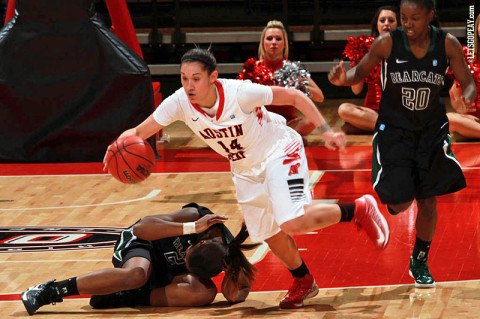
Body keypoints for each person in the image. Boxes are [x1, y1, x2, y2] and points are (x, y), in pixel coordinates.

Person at [107, 47, 390, 309]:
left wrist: (326, 130)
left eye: (196, 78)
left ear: (213, 77)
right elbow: (139, 132)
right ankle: (304, 281)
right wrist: (113, 150)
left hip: (279, 150)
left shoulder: (240, 93)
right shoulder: (179, 103)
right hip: (243, 167)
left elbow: (295, 97)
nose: (189, 85)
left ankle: (358, 209)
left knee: (291, 219)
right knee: (266, 232)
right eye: (184, 78)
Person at [329, 0, 476, 288]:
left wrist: (468, 93)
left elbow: (467, 81)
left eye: (414, 18)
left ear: (431, 16)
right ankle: (388, 179)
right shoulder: (387, 43)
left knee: (428, 199)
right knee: (400, 202)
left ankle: (419, 259)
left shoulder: (447, 44)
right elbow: (358, 73)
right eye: (404, 17)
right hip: (395, 130)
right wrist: (341, 79)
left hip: (431, 131)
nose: (407, 24)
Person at [21, 203, 260, 315]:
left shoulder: (227, 254)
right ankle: (51, 291)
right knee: (136, 275)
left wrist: (234, 271)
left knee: (205, 294)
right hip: (145, 244)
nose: (184, 259)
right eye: (186, 256)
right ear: (201, 241)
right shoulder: (197, 217)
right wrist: (190, 227)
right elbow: (142, 227)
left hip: (165, 272)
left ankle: (123, 297)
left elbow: (233, 295)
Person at [238, 20, 324, 137]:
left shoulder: (293, 68)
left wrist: (297, 86)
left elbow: (320, 96)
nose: (274, 42)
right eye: (269, 39)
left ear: (284, 43)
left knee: (312, 119)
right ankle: (287, 138)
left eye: (278, 39)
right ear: (263, 43)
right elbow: (238, 98)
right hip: (261, 124)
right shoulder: (252, 67)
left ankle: (284, 137)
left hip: (288, 123)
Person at [338, 6, 398, 133]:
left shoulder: (406, 50)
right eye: (382, 20)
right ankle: (387, 127)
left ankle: (374, 127)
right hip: (371, 112)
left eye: (391, 20)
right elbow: (356, 90)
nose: (386, 24)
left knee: (349, 128)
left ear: (399, 24)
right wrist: (356, 68)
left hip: (397, 110)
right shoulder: (366, 50)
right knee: (344, 109)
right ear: (377, 25)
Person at [447, 13, 480, 140]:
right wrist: (458, 106)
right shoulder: (467, 56)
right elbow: (457, 97)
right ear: (477, 28)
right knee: (449, 119)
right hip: (475, 121)